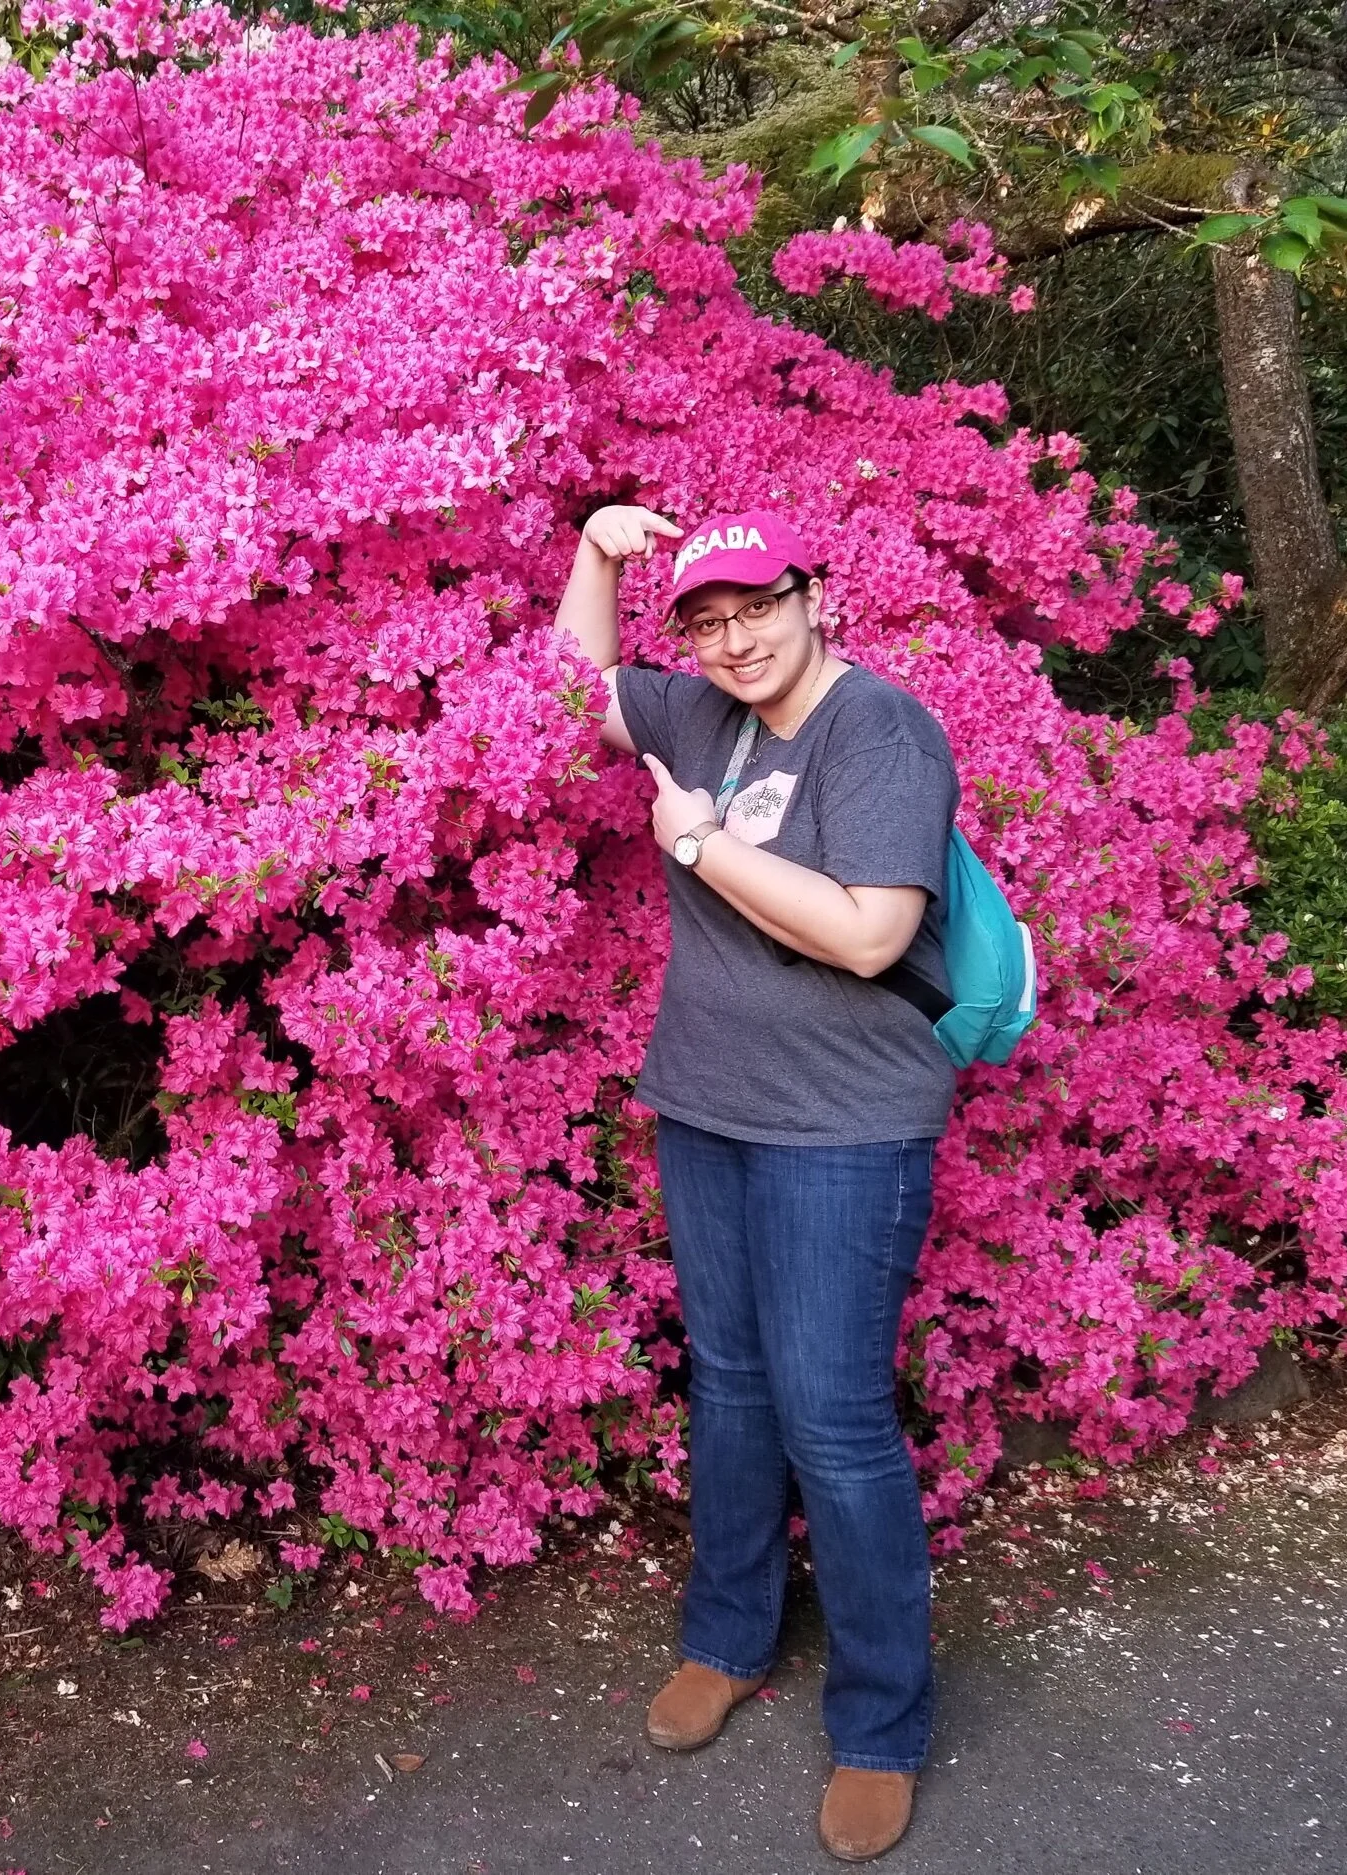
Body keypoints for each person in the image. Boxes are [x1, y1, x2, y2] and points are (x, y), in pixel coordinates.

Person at [554, 502, 962, 1863]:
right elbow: (578, 684)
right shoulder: (703, 719)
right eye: (708, 621)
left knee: (834, 1418)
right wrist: (599, 552)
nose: (733, 639)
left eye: (755, 609)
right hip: (709, 1110)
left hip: (845, 1128)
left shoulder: (880, 730)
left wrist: (694, 846)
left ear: (817, 597)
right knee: (728, 1386)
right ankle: (727, 1639)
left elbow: (868, 933)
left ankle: (881, 1722)